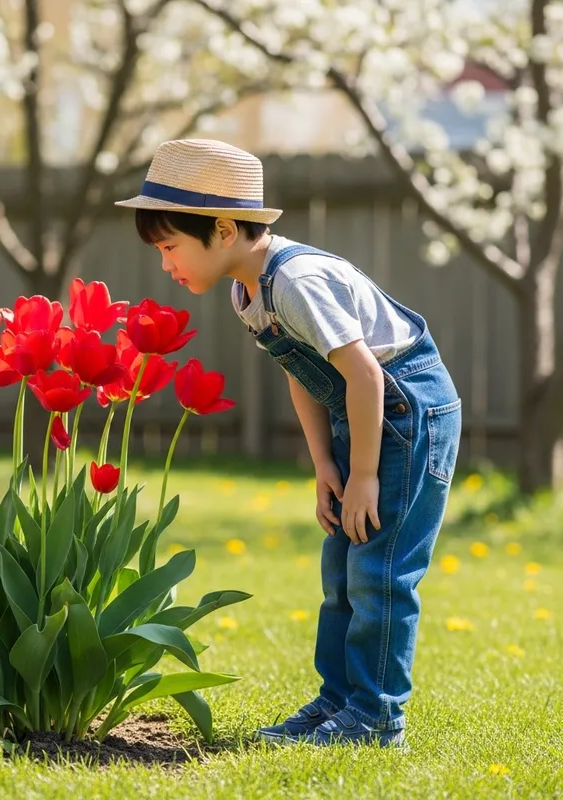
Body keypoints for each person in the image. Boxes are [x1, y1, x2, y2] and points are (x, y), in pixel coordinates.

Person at [115, 139, 462, 747]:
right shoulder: (246, 292)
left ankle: (377, 718)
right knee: (342, 569)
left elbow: (364, 375)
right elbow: (301, 373)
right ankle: (339, 703)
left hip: (409, 415)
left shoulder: (297, 282)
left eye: (169, 247)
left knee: (379, 572)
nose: (165, 264)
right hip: (365, 417)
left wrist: (364, 477)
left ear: (222, 229)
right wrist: (326, 463)